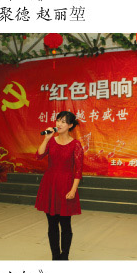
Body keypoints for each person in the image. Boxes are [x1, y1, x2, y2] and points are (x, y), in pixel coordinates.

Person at [34, 111, 84, 260]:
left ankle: (64, 257)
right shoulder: (51, 141)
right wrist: (46, 139)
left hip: (66, 185)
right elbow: (39, 155)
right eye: (58, 120)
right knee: (52, 224)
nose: (59, 124)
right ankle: (55, 257)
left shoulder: (75, 145)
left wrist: (73, 190)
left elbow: (78, 170)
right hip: (50, 185)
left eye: (63, 121)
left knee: (65, 224)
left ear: (70, 125)